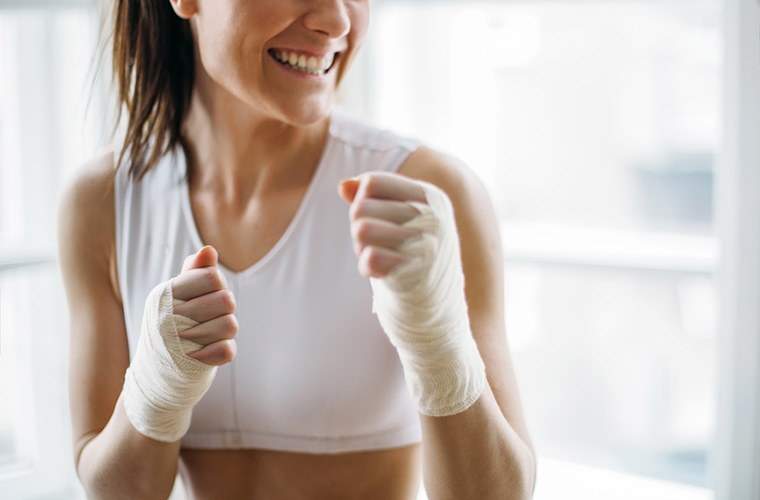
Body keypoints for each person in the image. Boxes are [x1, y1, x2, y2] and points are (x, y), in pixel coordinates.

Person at [56, 1, 536, 498]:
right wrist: (154, 393)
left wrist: (440, 342)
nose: (338, 21)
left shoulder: (425, 196)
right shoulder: (102, 204)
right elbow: (116, 491)